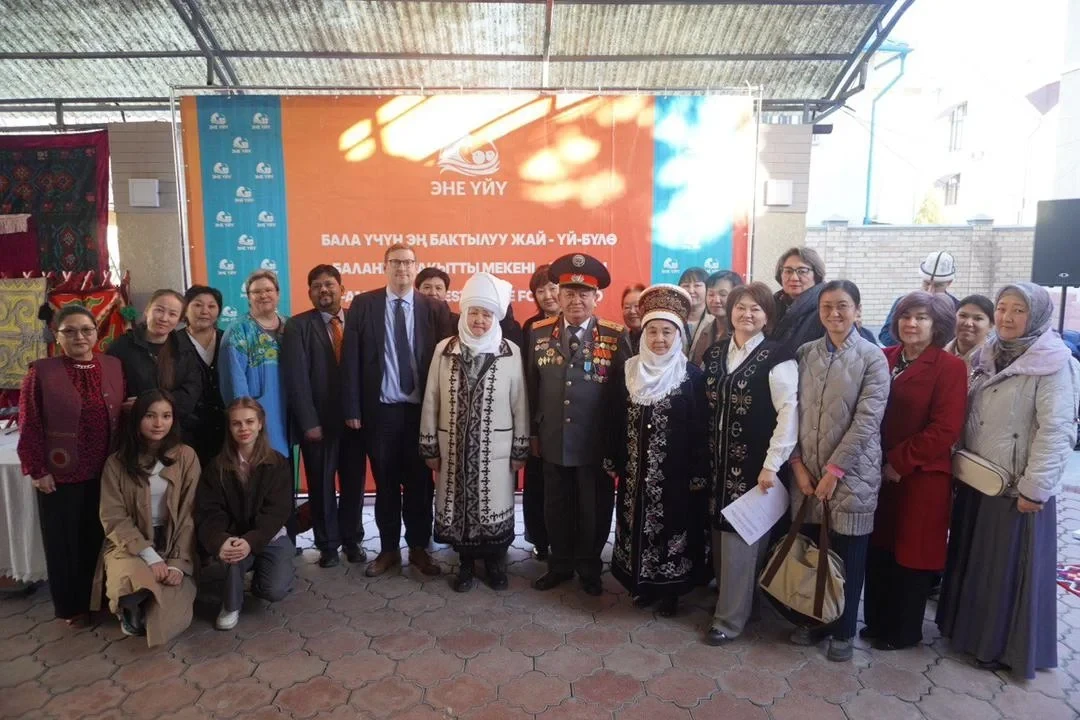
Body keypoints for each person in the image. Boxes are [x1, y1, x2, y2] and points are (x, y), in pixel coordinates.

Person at [937, 283, 1080, 679]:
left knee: (1005, 572)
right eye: (1002, 308)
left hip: (1016, 488)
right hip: (979, 477)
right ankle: (966, 635)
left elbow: (1057, 431)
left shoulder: (1054, 363)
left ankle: (1001, 648)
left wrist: (1036, 488)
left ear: (1036, 316)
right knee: (974, 563)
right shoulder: (986, 353)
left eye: (1018, 310)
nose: (1007, 317)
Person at [788, 280, 890, 662]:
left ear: (857, 311)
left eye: (842, 306)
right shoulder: (805, 353)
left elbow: (868, 420)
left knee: (849, 556)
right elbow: (789, 412)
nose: (834, 313)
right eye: (827, 306)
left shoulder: (872, 358)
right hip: (807, 474)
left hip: (852, 476)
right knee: (813, 553)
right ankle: (813, 620)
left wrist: (835, 471)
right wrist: (797, 465)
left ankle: (844, 631)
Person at [862, 291, 967, 651]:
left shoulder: (950, 367)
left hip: (921, 476)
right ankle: (876, 621)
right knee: (880, 547)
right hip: (878, 471)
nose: (911, 324)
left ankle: (903, 631)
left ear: (937, 325)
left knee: (911, 553)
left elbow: (946, 428)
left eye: (922, 318)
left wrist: (899, 462)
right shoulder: (885, 357)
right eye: (906, 316)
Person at [526, 253, 632, 596]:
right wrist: (532, 433)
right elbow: (531, 387)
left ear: (596, 297)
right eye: (569, 293)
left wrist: (616, 444)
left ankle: (589, 568)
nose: (576, 300)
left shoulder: (614, 336)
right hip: (553, 436)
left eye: (584, 294)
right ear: (558, 295)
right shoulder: (539, 332)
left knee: (594, 509)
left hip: (595, 442)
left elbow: (622, 396)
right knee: (555, 506)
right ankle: (559, 565)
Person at [343, 243, 452, 577]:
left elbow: (448, 364)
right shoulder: (364, 305)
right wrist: (352, 407)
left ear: (416, 267)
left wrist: (445, 413)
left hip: (421, 414)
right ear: (385, 266)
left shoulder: (434, 308)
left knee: (420, 484)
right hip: (382, 412)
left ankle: (419, 548)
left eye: (408, 262)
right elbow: (351, 359)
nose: (402, 268)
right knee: (386, 483)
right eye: (395, 262)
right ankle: (388, 549)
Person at [420, 272, 529, 592]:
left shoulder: (510, 350)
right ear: (464, 314)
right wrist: (429, 446)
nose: (480, 320)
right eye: (474, 313)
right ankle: (465, 564)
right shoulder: (444, 349)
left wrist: (520, 448)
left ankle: (494, 563)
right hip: (453, 448)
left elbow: (520, 402)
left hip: (495, 451)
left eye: (486, 314)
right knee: (459, 509)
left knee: (493, 507)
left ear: (495, 318)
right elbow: (431, 399)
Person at [702, 282, 798, 645]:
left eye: (756, 309)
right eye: (740, 307)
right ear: (730, 312)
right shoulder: (715, 353)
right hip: (715, 462)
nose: (747, 314)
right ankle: (736, 603)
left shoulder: (778, 356)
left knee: (741, 538)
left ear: (767, 316)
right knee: (718, 532)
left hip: (755, 466)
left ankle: (728, 621)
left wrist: (772, 464)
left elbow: (789, 413)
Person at [17, 305, 124, 627]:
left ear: (96, 332)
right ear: (57, 335)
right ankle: (72, 606)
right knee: (65, 542)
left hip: (105, 470)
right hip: (61, 474)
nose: (80, 337)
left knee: (98, 537)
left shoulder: (112, 366)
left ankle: (100, 599)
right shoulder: (42, 372)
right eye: (70, 331)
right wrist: (37, 469)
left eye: (86, 330)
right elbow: (29, 423)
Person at [608, 284, 707, 616]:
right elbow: (613, 417)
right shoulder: (628, 371)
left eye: (667, 331)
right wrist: (613, 458)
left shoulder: (691, 377)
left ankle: (670, 591)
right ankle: (642, 585)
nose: (659, 339)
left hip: (675, 477)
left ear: (678, 335)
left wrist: (697, 473)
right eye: (652, 331)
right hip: (634, 474)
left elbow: (700, 429)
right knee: (634, 525)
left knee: (672, 529)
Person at [96, 390, 200, 645]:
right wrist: (150, 557)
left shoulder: (186, 457)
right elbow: (113, 516)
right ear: (137, 419)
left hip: (173, 542)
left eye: (166, 416)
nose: (158, 423)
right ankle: (134, 603)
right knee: (131, 581)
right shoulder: (116, 463)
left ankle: (151, 604)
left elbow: (190, 513)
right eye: (150, 416)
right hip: (130, 544)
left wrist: (177, 562)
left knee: (169, 616)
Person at [282, 265, 367, 568]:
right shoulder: (298, 326)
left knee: (354, 483)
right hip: (319, 423)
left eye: (329, 284)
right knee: (320, 485)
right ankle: (328, 545)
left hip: (355, 421)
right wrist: (309, 422)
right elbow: (296, 379)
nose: (323, 290)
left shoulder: (358, 321)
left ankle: (352, 540)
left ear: (342, 289)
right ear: (310, 293)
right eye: (316, 286)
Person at [197, 398, 294, 630]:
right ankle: (231, 605)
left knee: (274, 590)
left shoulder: (278, 463)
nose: (244, 428)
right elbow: (210, 511)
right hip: (235, 538)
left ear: (260, 424)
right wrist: (221, 540)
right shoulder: (217, 467)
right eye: (236, 423)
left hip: (270, 536)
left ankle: (260, 574)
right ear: (229, 428)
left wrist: (252, 540)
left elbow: (277, 511)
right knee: (234, 553)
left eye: (249, 422)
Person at [106, 289, 202, 429]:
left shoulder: (184, 349)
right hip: (133, 426)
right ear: (147, 311)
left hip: (174, 427)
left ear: (179, 320)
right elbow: (109, 388)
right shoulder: (122, 346)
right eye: (159, 310)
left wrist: (148, 404)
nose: (164, 318)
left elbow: (191, 391)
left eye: (172, 314)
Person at [220, 270, 289, 456]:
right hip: (257, 420)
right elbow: (234, 382)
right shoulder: (238, 331)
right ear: (248, 297)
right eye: (257, 292)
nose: (263, 295)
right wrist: (245, 420)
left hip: (290, 415)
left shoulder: (291, 326)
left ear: (278, 294)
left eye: (268, 290)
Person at [521, 264, 560, 561]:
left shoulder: (580, 324)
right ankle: (540, 539)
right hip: (539, 418)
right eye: (540, 290)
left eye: (552, 288)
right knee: (538, 483)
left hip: (569, 422)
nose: (547, 295)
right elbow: (527, 377)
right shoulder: (531, 327)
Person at [417, 265, 523, 348]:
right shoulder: (411, 318)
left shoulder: (458, 322)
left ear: (446, 292)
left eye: (438, 288)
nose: (433, 293)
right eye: (427, 287)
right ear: (417, 290)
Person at [181, 285, 226, 466]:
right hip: (186, 430)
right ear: (185, 309)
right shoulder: (173, 342)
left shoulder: (229, 339)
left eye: (211, 306)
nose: (205, 311)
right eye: (198, 305)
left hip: (225, 427)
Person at [878, 251, 960, 347]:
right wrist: (911, 345)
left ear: (949, 283)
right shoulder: (903, 302)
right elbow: (885, 335)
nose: (930, 290)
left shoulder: (958, 309)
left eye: (938, 285)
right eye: (926, 283)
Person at [771, 247, 828, 354]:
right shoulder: (771, 306)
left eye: (802, 271)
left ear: (817, 275)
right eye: (788, 271)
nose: (794, 278)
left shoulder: (825, 310)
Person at [690, 270, 743, 366]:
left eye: (723, 294)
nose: (716, 300)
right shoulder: (706, 330)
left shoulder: (742, 332)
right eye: (711, 294)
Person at [945, 294, 994, 370]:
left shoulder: (995, 361)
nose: (968, 323)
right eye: (963, 316)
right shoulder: (939, 354)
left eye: (978, 318)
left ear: (991, 325)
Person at [678, 268, 709, 356]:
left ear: (708, 288)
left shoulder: (716, 320)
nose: (691, 291)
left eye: (697, 285)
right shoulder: (672, 317)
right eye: (686, 286)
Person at [621, 283, 646, 355]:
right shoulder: (621, 340)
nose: (632, 311)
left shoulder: (654, 340)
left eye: (637, 306)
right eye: (627, 307)